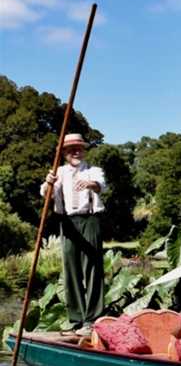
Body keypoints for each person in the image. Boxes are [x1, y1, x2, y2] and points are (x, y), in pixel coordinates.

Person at [40, 133, 106, 337]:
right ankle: (76, 318)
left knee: (93, 268)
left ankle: (92, 318)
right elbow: (46, 192)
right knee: (71, 269)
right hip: (67, 222)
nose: (76, 152)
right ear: (65, 153)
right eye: (71, 149)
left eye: (79, 148)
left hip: (90, 219)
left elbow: (100, 185)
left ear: (84, 151)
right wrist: (48, 182)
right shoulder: (58, 172)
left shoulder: (93, 170)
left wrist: (90, 184)